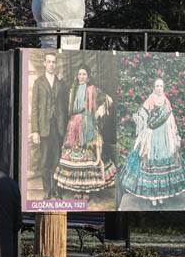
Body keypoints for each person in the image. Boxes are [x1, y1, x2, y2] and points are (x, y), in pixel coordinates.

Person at [120, 77, 185, 206]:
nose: (159, 88)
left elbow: (170, 119)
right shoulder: (150, 99)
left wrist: (173, 134)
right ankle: (153, 197)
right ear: (154, 88)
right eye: (157, 86)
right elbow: (142, 114)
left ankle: (161, 195)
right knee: (150, 162)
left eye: (161, 86)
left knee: (164, 162)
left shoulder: (166, 101)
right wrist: (144, 124)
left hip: (165, 137)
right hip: (152, 136)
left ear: (163, 88)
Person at [53, 65, 117, 196]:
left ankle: (86, 190)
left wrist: (97, 113)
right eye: (79, 74)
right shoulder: (72, 90)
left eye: (84, 74)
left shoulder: (92, 89)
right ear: (77, 76)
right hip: (73, 126)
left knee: (89, 155)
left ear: (88, 77)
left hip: (87, 124)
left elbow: (108, 100)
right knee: (75, 156)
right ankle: (77, 189)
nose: (81, 77)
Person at [29, 53, 69, 198]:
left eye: (53, 62)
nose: (51, 64)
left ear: (56, 64)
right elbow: (34, 108)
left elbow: (64, 108)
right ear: (44, 64)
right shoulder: (38, 82)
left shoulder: (60, 84)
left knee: (57, 160)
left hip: (58, 128)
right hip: (44, 128)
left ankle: (56, 190)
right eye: (49, 62)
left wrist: (65, 129)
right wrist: (35, 131)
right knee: (45, 160)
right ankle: (47, 190)